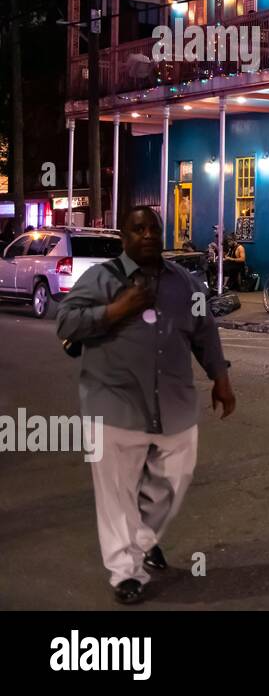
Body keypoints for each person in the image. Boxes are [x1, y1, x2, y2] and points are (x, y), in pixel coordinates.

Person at [55, 206, 236, 605]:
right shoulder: (100, 279)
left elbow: (204, 331)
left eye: (154, 228)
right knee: (117, 493)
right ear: (125, 238)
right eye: (138, 229)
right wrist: (117, 310)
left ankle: (142, 538)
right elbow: (66, 322)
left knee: (172, 481)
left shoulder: (185, 284)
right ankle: (125, 574)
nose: (148, 235)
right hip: (112, 403)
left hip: (173, 404)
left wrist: (220, 378)